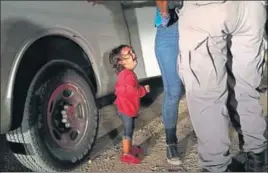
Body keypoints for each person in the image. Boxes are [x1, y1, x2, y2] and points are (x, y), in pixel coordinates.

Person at [176, 1, 267, 172]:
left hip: (206, 9)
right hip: (252, 8)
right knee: (247, 88)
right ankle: (256, 159)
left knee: (207, 97)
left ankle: (216, 166)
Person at [109, 45, 150, 164]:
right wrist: (143, 90)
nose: (133, 54)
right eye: (129, 53)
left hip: (123, 107)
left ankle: (129, 148)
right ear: (121, 61)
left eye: (132, 51)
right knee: (128, 130)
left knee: (129, 129)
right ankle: (126, 153)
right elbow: (132, 91)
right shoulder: (128, 75)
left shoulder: (125, 74)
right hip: (125, 109)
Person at [154, 0, 183, 165]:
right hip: (169, 32)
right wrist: (165, 15)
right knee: (173, 91)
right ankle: (171, 141)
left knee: (200, 87)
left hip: (195, 27)